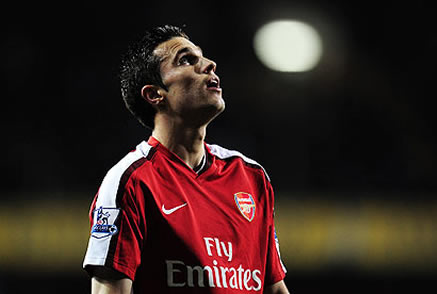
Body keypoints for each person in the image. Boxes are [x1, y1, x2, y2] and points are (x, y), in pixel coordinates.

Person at [82, 25, 289, 294]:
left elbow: (273, 287)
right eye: (186, 60)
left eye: (202, 57)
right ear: (155, 94)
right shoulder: (131, 181)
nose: (209, 65)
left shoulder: (250, 176)